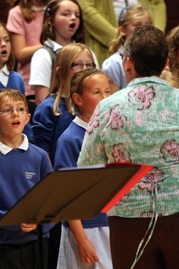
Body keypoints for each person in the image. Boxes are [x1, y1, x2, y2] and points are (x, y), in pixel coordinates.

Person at [79, 25, 179, 269]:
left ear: (127, 62)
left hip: (129, 221)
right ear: (166, 62)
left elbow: (88, 166)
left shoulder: (107, 107)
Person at [0, 89, 52, 269]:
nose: (15, 114)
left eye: (20, 109)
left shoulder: (39, 156)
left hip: (36, 242)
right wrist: (10, 220)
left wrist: (39, 222)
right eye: (7, 110)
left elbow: (51, 200)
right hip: (0, 245)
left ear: (28, 117)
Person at [54, 69, 112, 268]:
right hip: (86, 229)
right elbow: (65, 196)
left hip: (113, 224)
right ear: (78, 99)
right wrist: (82, 239)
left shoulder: (112, 132)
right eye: (96, 92)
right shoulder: (70, 139)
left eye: (107, 92)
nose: (104, 98)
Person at [30, 43, 95, 164]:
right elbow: (42, 156)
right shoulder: (49, 108)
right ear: (60, 71)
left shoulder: (96, 104)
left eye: (89, 65)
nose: (85, 69)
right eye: (76, 65)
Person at [6, 0, 57, 100]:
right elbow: (20, 53)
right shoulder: (17, 13)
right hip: (31, 83)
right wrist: (49, 46)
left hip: (57, 80)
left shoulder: (56, 11)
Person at [29, 0, 88, 103]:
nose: (73, 18)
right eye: (66, 14)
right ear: (50, 20)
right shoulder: (43, 55)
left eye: (77, 15)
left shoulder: (87, 52)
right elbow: (42, 101)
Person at [101, 4, 151, 92]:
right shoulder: (113, 64)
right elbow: (113, 101)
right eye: (137, 25)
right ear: (122, 30)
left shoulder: (153, 57)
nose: (144, 29)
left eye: (147, 25)